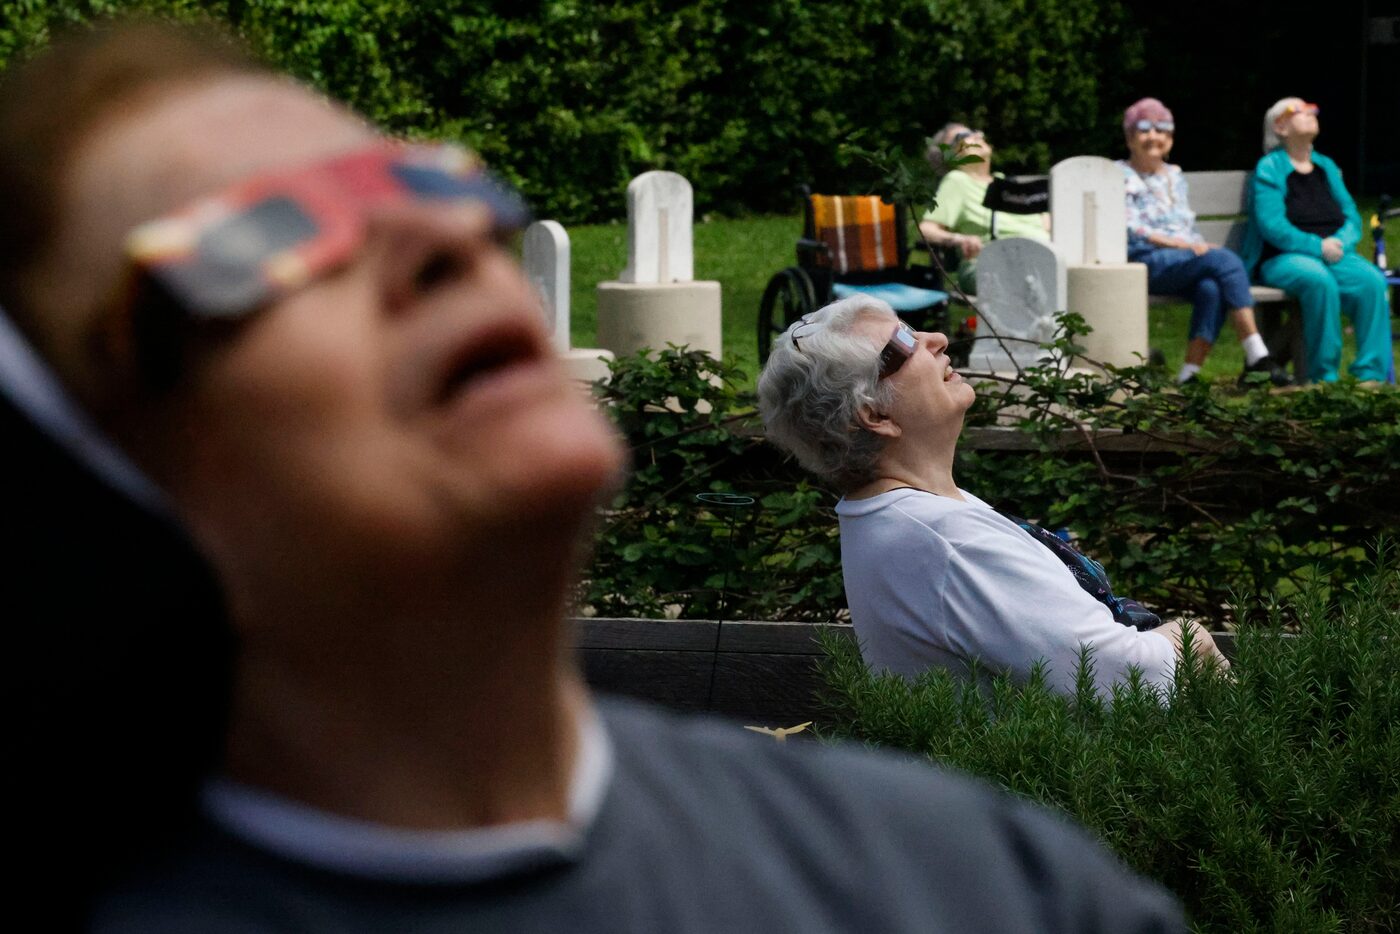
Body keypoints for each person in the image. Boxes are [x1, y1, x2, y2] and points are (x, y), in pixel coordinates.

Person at [0, 21, 1188, 933]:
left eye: (424, 180)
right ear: (78, 488)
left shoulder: (974, 879)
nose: (444, 237)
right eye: (257, 241)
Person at [758, 295, 1229, 696]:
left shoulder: (915, 515)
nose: (936, 340)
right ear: (874, 415)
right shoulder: (945, 543)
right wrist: (1186, 638)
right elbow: (1124, 682)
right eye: (904, 344)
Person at [1116, 98, 1289, 386]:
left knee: (1211, 288)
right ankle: (1257, 355)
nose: (1154, 137)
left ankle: (1189, 375)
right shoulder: (1119, 174)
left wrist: (1191, 248)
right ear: (1129, 137)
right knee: (1224, 260)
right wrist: (1184, 247)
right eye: (1145, 130)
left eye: (1162, 131)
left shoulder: (1173, 175)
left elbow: (1184, 224)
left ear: (1170, 139)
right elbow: (1132, 228)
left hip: (1182, 262)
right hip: (1144, 261)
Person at [1239, 97, 1393, 384]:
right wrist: (1316, 246)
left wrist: (1340, 243)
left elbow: (1351, 216)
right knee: (1318, 281)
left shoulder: (1326, 166)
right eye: (1300, 110)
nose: (1310, 113)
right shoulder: (1270, 168)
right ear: (1280, 127)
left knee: (1371, 281)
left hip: (1332, 252)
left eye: (1312, 109)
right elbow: (1273, 226)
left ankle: (1371, 376)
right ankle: (1324, 379)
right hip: (1283, 256)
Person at [918, 122, 1050, 293]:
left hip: (1042, 258)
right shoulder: (957, 180)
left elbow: (1046, 221)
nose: (977, 136)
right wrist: (961, 239)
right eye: (962, 137)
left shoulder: (1002, 182)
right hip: (991, 263)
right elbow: (926, 229)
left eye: (975, 132)